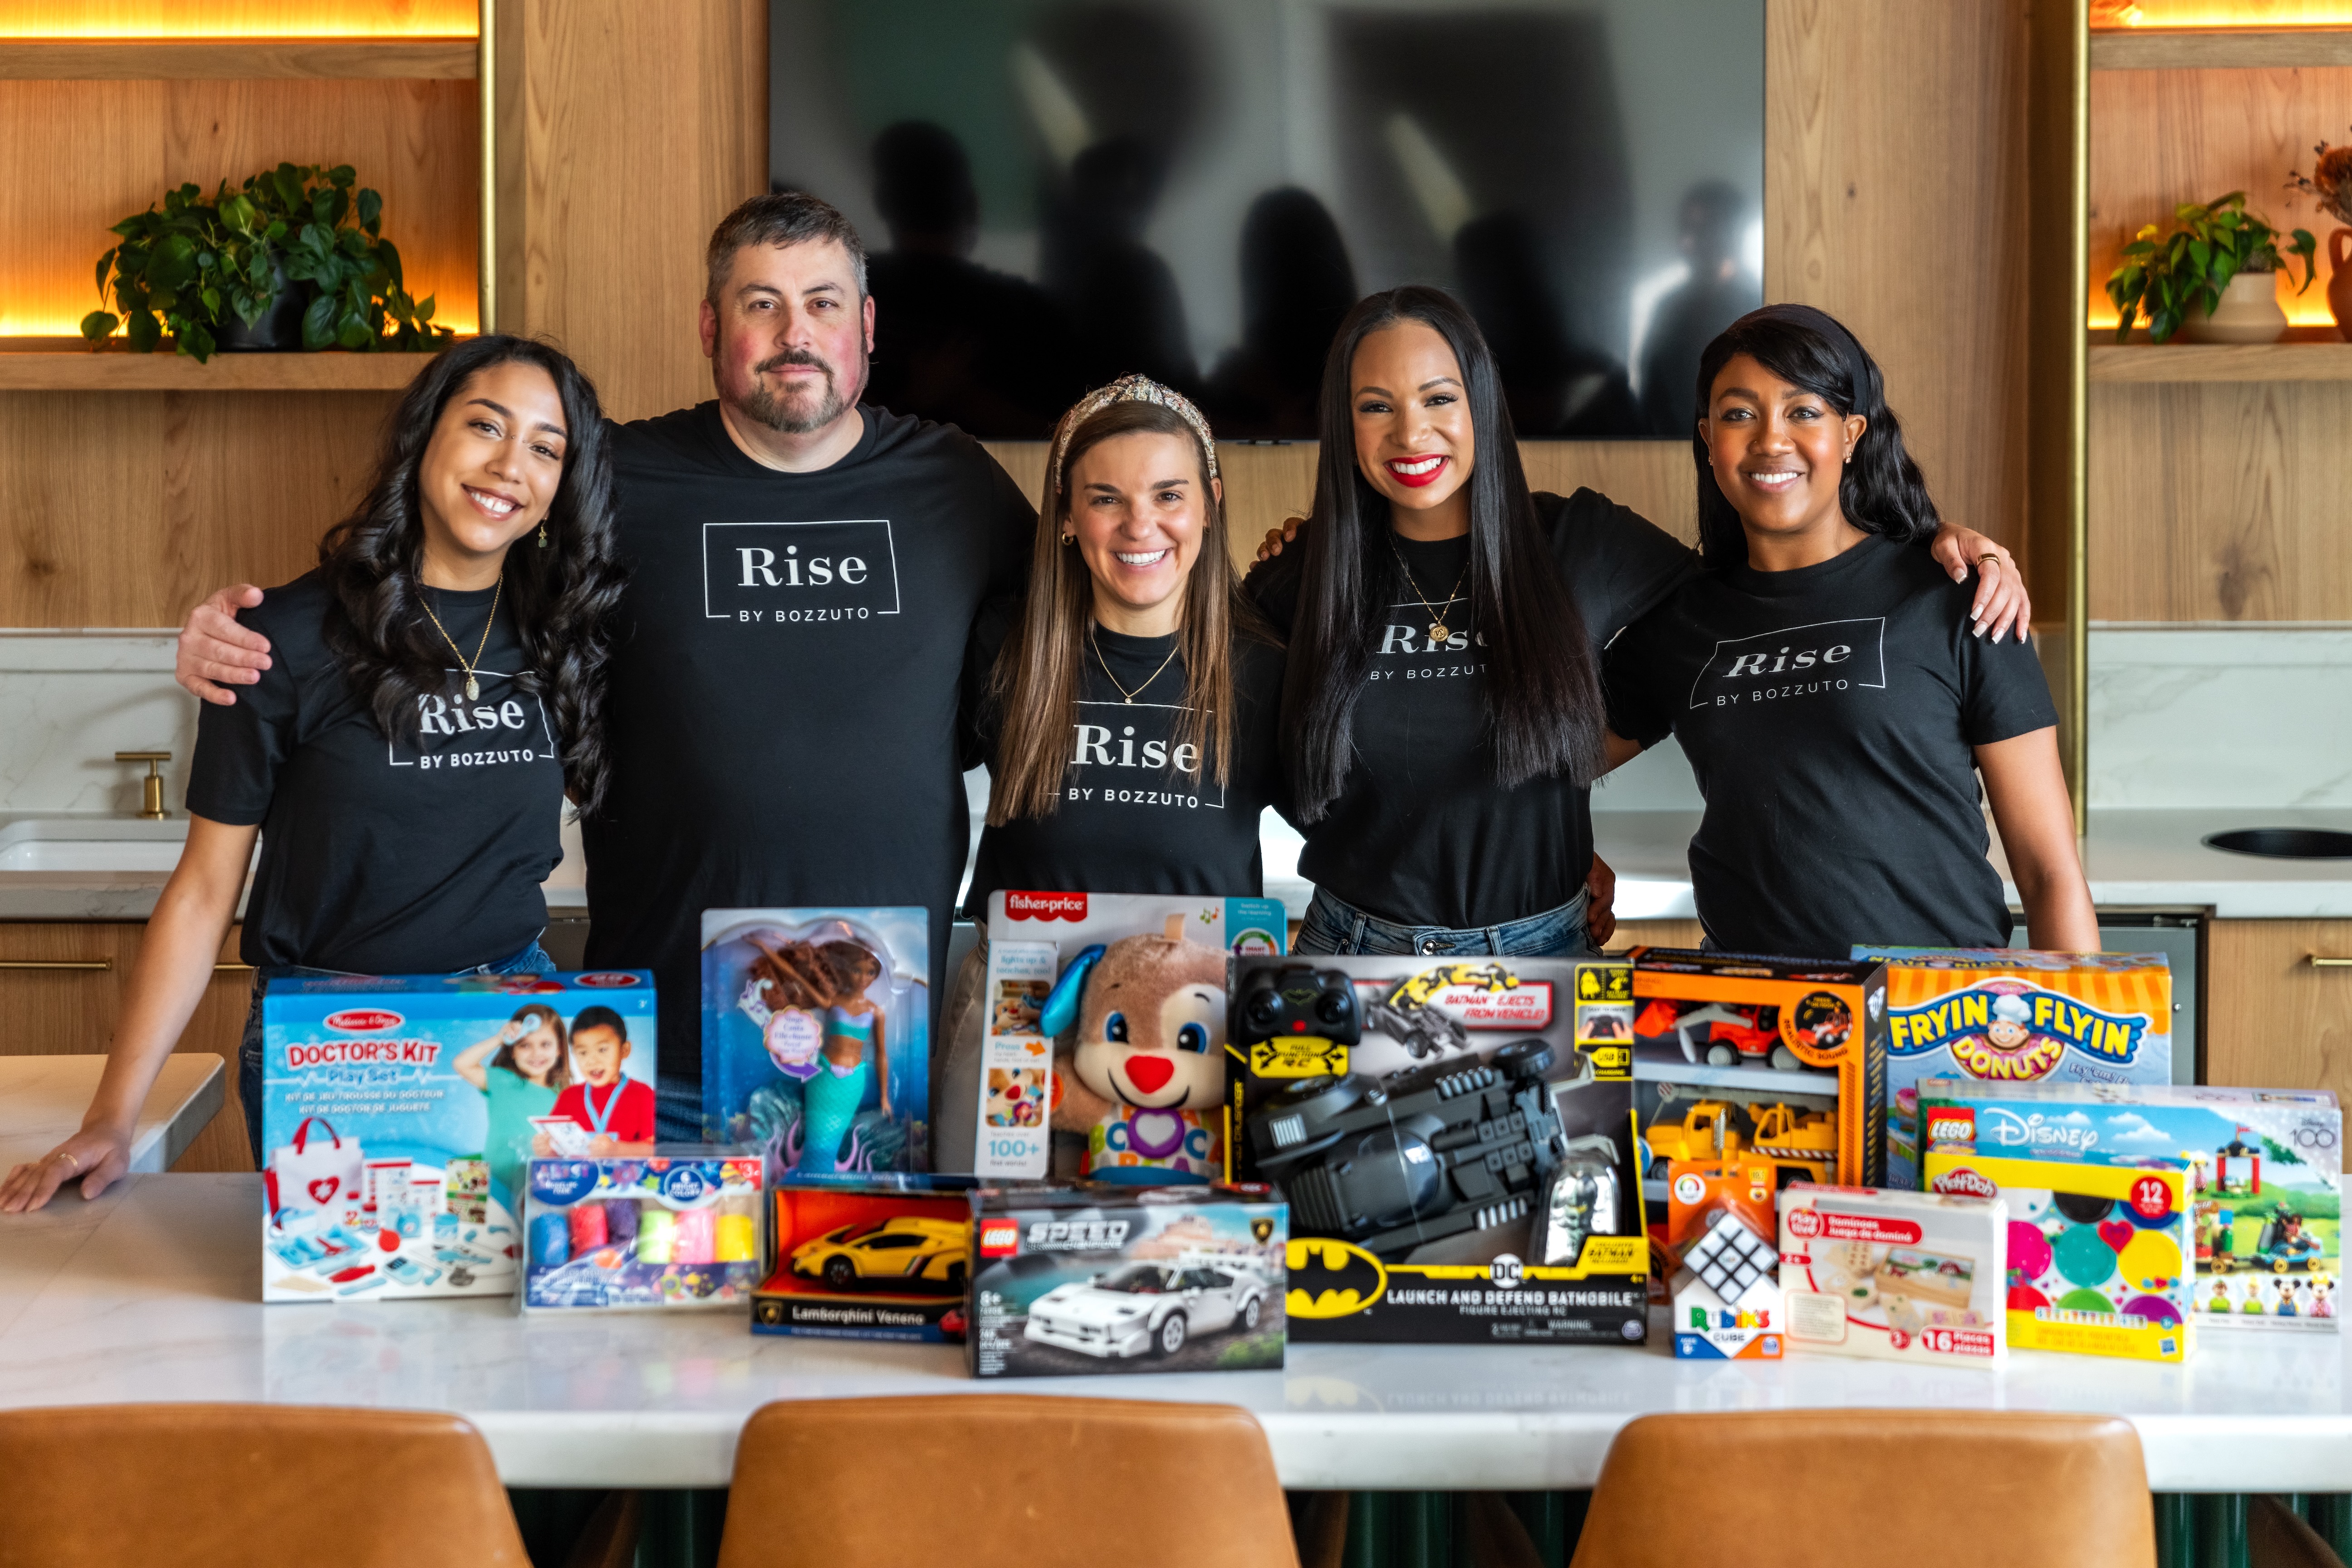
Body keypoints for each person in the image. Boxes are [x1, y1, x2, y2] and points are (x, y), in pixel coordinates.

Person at [168, 192, 1038, 1144]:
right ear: (712, 326)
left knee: (847, 1287)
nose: (796, 333)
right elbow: (444, 562)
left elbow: (1085, 623)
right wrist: (248, 623)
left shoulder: (955, 485)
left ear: (866, 325)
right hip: (648, 1051)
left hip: (875, 1044)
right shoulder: (613, 480)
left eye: (824, 302)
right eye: (760, 304)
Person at [1, 335, 624, 1211]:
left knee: (503, 1330)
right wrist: (113, 1119)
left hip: (511, 1021)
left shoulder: (566, 637)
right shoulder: (282, 639)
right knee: (345, 1334)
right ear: (425, 436)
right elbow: (204, 889)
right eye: (485, 425)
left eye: (544, 447)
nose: (507, 465)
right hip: (335, 1041)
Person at [1247, 287, 2029, 960]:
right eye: (1374, 406)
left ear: (1481, 403)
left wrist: (1932, 543)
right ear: (1342, 426)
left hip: (1541, 954)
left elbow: (1769, 596)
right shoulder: (1297, 579)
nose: (1410, 434)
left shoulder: (1582, 544)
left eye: (1437, 398)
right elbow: (1254, 765)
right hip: (1351, 952)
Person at [1602, 304, 2097, 956]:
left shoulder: (1959, 596)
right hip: (1753, 1017)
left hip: (1937, 1019)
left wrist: (2077, 1036)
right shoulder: (1681, 619)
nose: (1771, 440)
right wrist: (1559, 856)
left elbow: (2049, 872)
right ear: (1708, 439)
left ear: (1851, 434)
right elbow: (1542, 758)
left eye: (1803, 412)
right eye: (1739, 413)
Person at [937, 375, 1288, 1170]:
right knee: (991, 1254)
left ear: (1209, 502)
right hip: (1022, 1003)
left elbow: (1362, 822)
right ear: (1065, 514)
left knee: (1182, 1255)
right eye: (1105, 499)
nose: (1140, 524)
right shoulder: (1002, 645)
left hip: (1188, 1016)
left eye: (1168, 493)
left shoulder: (1263, 666)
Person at [454, 1001, 572, 1215]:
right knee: (469, 1234)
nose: (536, 1053)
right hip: (492, 1180)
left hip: (533, 1186)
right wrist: (500, 1039)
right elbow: (462, 1064)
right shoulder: (503, 1080)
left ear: (560, 1049)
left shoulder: (566, 1095)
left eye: (545, 1044)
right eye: (525, 1045)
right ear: (513, 1052)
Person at [539, 1005, 656, 1157]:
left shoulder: (643, 1094)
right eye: (583, 1053)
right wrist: (546, 1149)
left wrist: (616, 1150)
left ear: (624, 1050)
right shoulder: (569, 1097)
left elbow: (655, 1150)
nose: (592, 1061)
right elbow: (557, 1150)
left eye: (602, 1050)